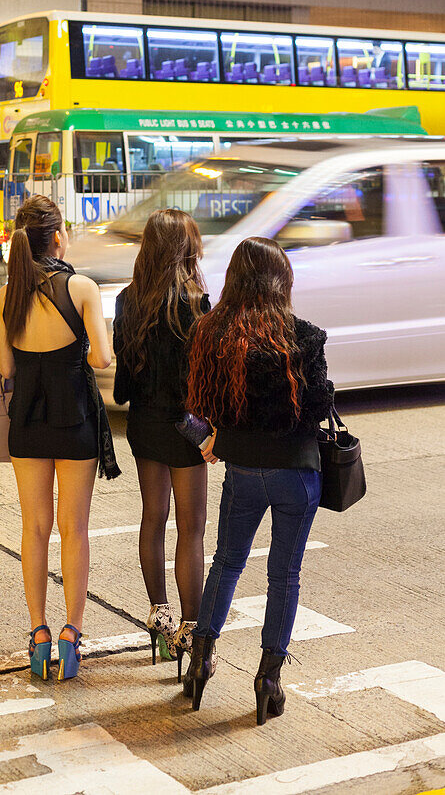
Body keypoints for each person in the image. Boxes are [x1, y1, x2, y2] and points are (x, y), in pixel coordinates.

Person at [183, 237, 334, 724]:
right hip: (296, 473)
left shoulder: (212, 333)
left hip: (242, 470)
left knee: (226, 562)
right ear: (282, 280)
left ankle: (201, 662)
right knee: (283, 575)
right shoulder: (305, 337)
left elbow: (204, 407)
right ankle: (268, 679)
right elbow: (316, 407)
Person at [0, 195, 120, 682]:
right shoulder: (82, 287)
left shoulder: (8, 295)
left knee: (34, 528)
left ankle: (37, 634)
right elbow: (102, 360)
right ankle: (71, 634)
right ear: (59, 236)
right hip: (74, 421)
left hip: (27, 420)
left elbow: (6, 369)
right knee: (74, 528)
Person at [113, 209, 210, 679]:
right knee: (192, 530)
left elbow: (123, 384)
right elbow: (204, 382)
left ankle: (160, 616)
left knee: (153, 520)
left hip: (144, 426)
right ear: (184, 249)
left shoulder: (127, 300)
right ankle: (192, 633)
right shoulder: (197, 302)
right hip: (186, 430)